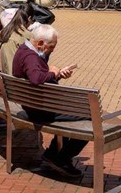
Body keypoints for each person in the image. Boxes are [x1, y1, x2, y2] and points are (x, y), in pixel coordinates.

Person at [11, 24, 79, 177]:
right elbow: (36, 78)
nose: (53, 50)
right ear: (40, 43)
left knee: (79, 109)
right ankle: (60, 158)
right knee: (89, 114)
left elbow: (39, 77)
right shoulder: (30, 57)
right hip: (39, 110)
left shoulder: (24, 50)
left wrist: (58, 74)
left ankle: (54, 154)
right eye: (51, 46)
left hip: (34, 104)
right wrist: (53, 73)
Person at [0, 4, 34, 75]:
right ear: (29, 18)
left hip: (6, 76)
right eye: (32, 20)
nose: (31, 23)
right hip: (15, 80)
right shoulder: (26, 36)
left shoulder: (6, 31)